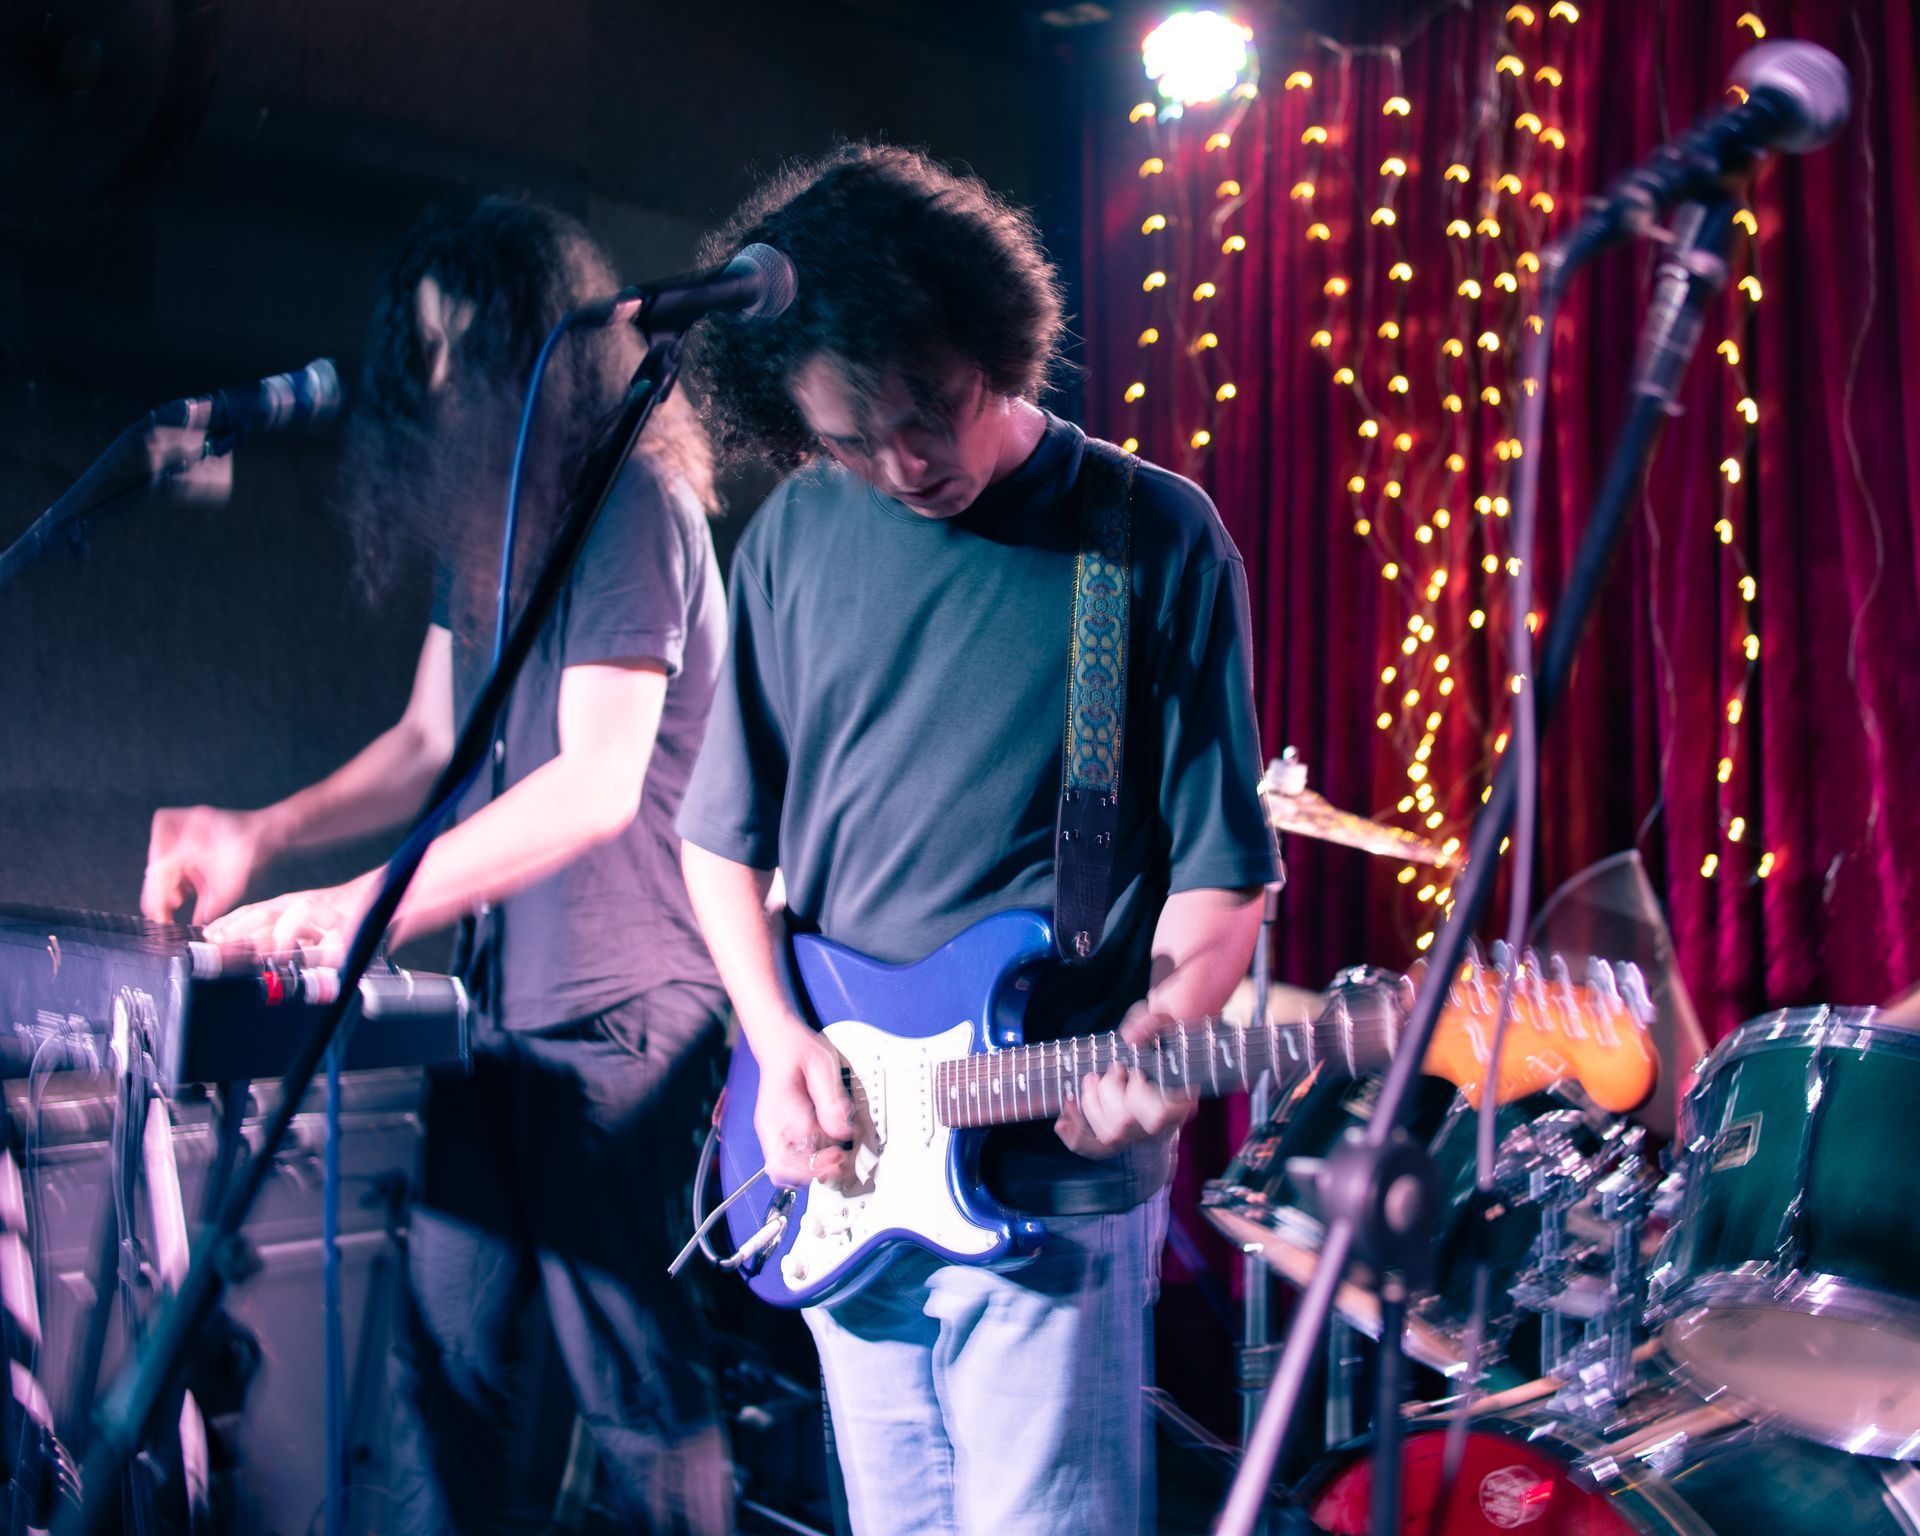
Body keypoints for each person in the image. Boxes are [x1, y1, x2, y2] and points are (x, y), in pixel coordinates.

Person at [675, 144, 1279, 1535]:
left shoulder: (1146, 534)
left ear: (992, 342)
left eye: (931, 409)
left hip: (1051, 1169)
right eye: (848, 438)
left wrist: (1171, 1033)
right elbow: (720, 846)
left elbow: (1222, 872)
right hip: (833, 1157)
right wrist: (775, 1043)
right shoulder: (790, 540)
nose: (906, 462)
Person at [140, 194, 735, 1534]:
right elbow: (426, 739)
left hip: (625, 1011)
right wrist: (264, 834)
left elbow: (594, 783)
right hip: (499, 1011)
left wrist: (355, 908)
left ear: (539, 349)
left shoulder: (631, 502)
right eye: (430, 349)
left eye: (465, 346)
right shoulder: (492, 525)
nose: (443, 379)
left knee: (632, 1379)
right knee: (443, 1366)